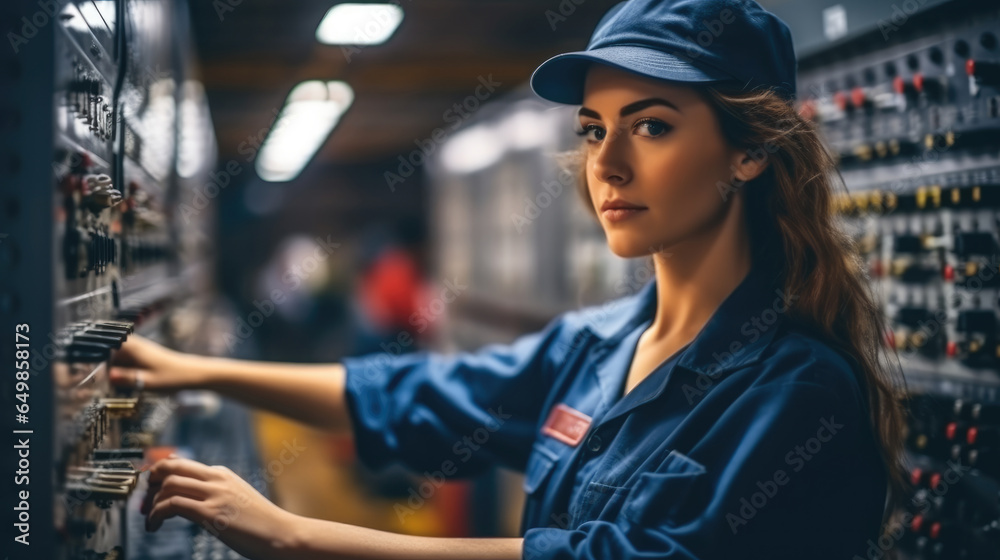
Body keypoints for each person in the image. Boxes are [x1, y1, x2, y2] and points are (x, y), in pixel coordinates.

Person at [108, 0, 909, 558]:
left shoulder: (799, 392)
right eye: (594, 131)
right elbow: (417, 398)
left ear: (750, 152)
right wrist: (192, 369)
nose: (608, 164)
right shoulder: (596, 343)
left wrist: (296, 536)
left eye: (652, 126)